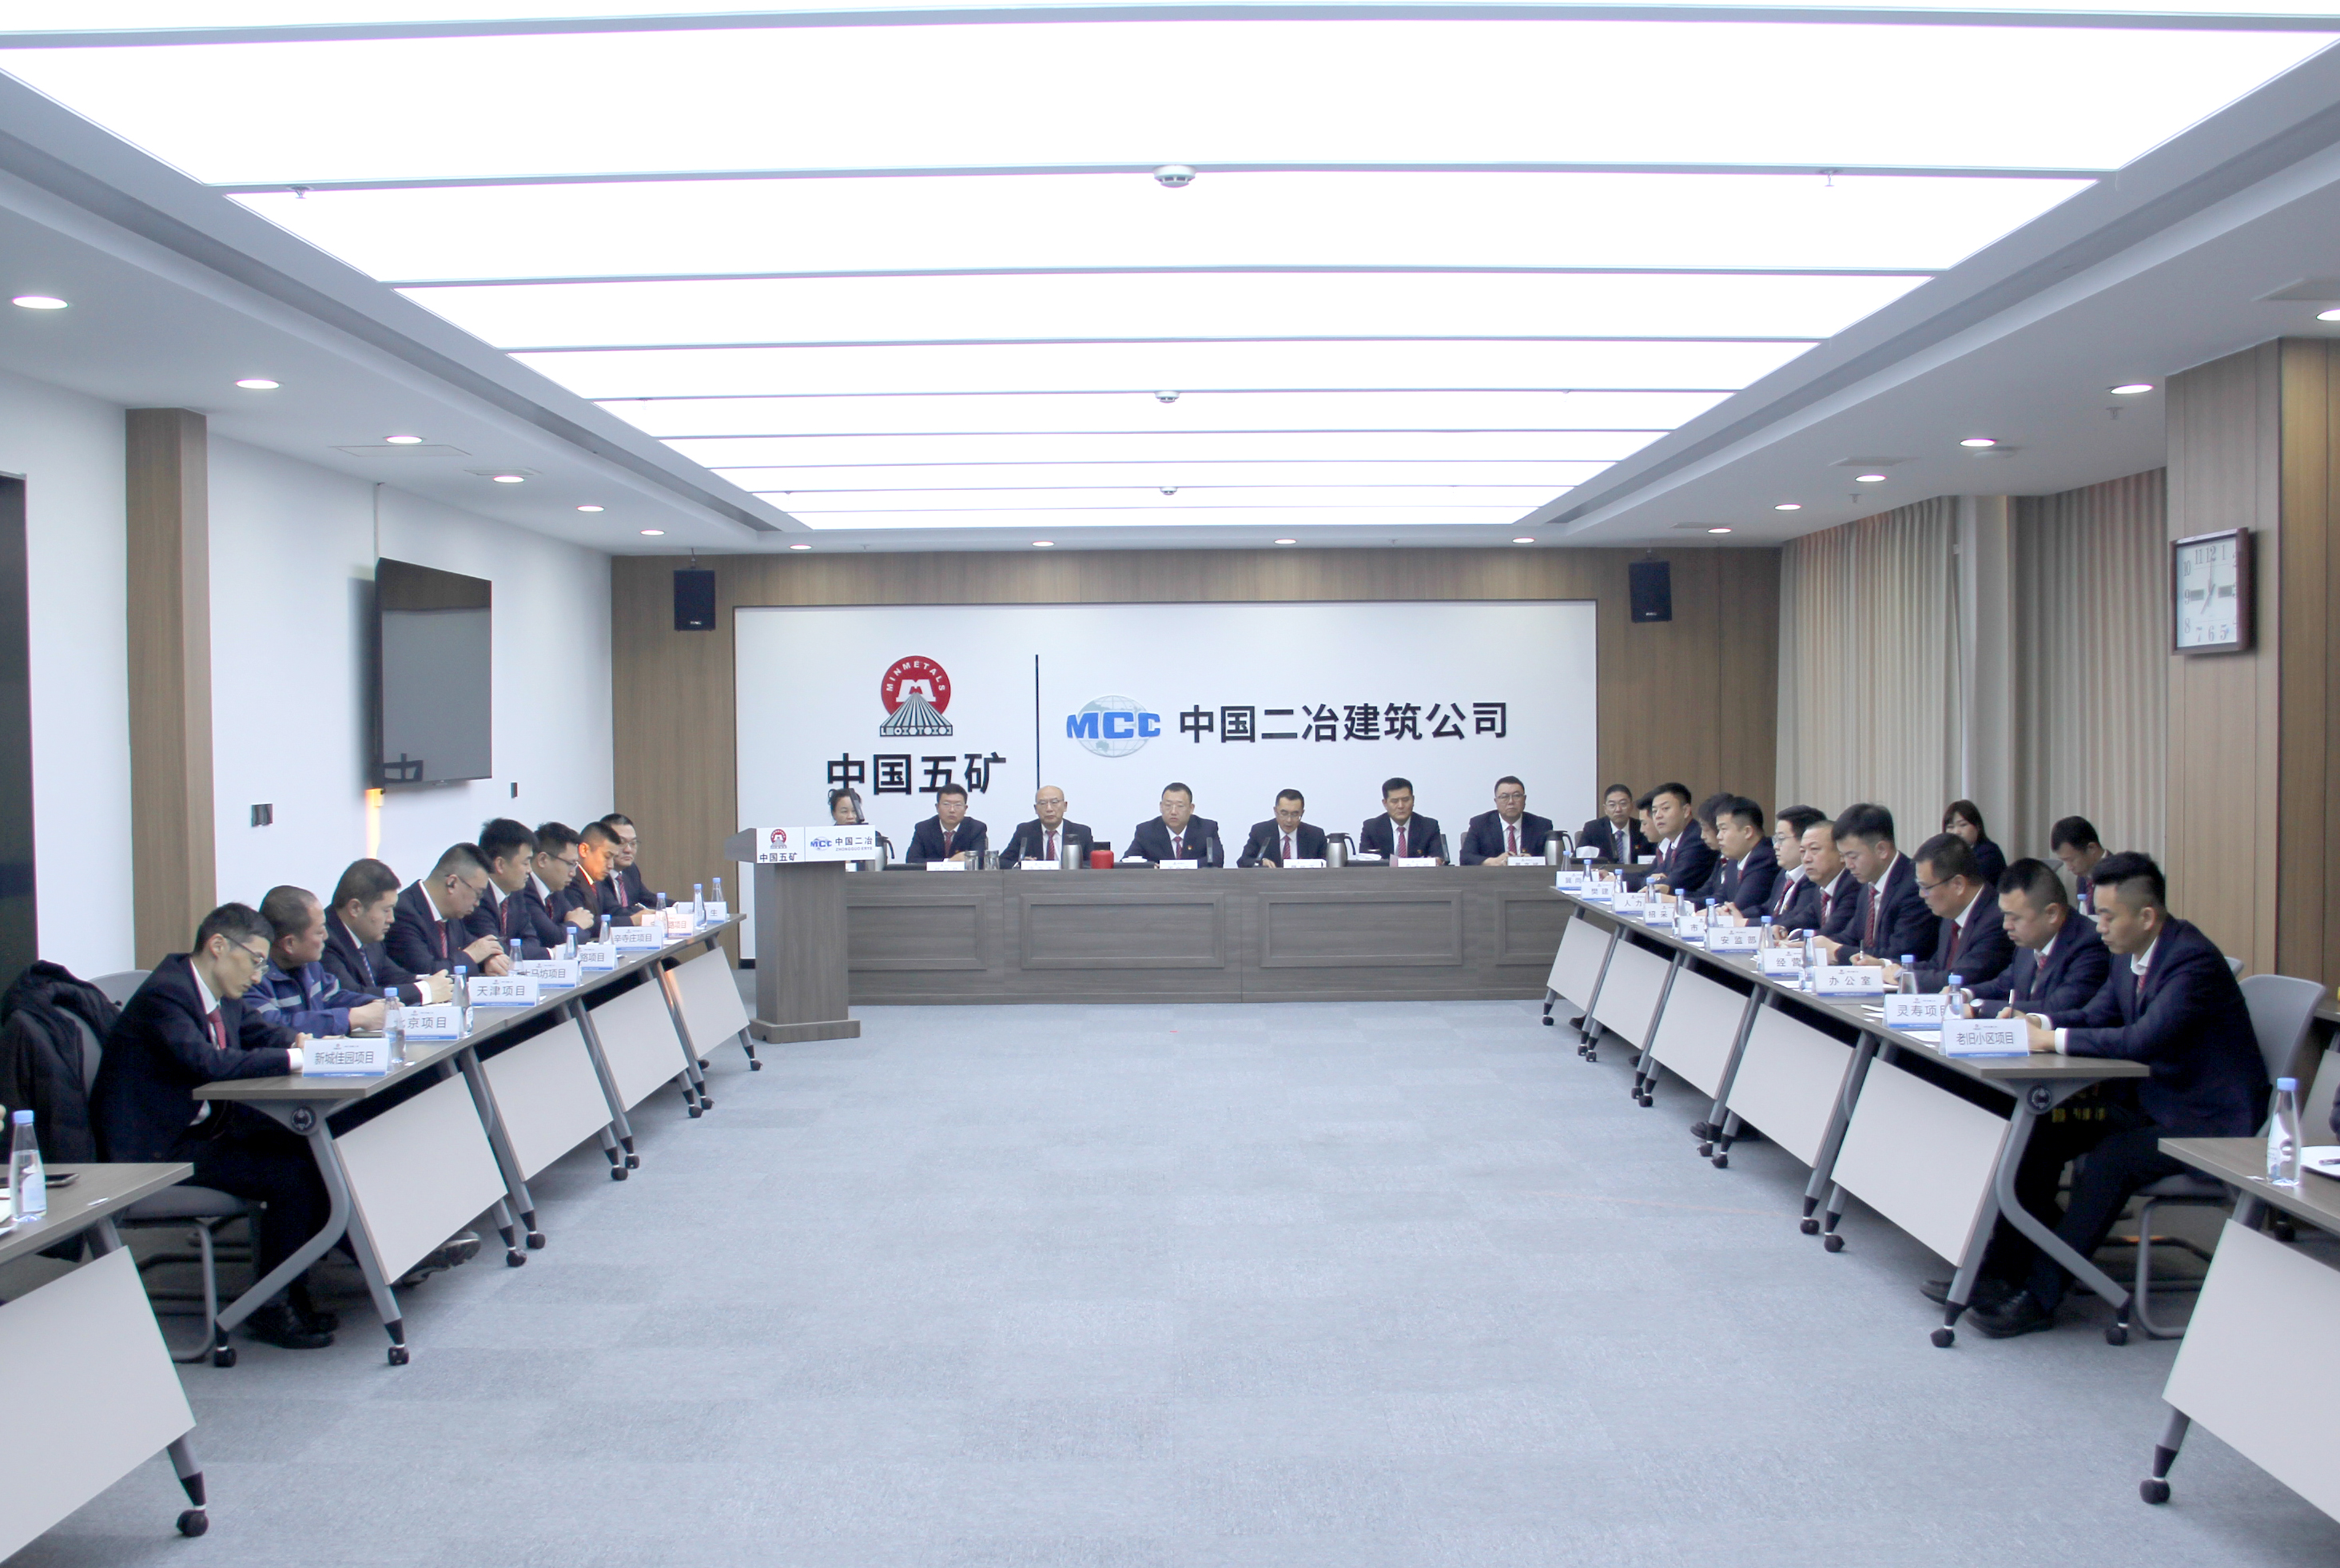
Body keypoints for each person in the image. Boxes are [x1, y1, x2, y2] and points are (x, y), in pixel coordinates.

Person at [1962, 853, 2270, 1338]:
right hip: (2154, 1104)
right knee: (2039, 1132)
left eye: (2107, 916)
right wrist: (2036, 1022)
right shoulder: (2130, 955)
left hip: (2207, 1120)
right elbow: (2096, 1015)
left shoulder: (2191, 960)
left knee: (2112, 1160)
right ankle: (2002, 1271)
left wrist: (2051, 1040)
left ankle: (2041, 1296)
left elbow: (2142, 1040)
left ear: (2146, 916)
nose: (2098, 926)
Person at [89, 903, 331, 1349]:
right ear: (218, 946)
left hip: (202, 1131)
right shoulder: (166, 995)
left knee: (309, 1150)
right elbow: (207, 1063)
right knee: (291, 1177)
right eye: (255, 961)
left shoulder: (220, 992)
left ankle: (292, 1291)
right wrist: (293, 1059)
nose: (258, 976)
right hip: (158, 1151)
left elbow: (260, 1033)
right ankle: (270, 1306)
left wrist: (301, 1043)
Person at [1968, 858, 2111, 1015]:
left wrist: (1979, 1008)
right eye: (2005, 915)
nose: (2006, 925)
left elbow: (2058, 1007)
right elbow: (2002, 985)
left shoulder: (2090, 945)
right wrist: (1964, 994)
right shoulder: (2030, 941)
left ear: (2052, 913)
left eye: (2015, 918)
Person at [1880, 833, 2014, 993]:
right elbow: (1938, 965)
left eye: (1926, 887)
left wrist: (1902, 976)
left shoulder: (1996, 920)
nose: (1921, 895)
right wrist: (1888, 966)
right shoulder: (1952, 911)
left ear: (1958, 884)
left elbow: (1959, 978)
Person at [247, 885, 388, 1037]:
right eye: (319, 932)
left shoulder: (309, 965)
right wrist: (352, 1017)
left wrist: (373, 1005)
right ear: (289, 944)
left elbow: (332, 998)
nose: (326, 936)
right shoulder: (253, 978)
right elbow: (274, 1028)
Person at [321, 859, 450, 1005]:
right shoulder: (325, 941)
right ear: (355, 908)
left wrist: (430, 981)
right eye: (386, 910)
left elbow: (394, 976)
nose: (391, 919)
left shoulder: (370, 937)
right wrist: (424, 991)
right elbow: (352, 996)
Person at [1818, 803, 1934, 965]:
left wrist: (1838, 951)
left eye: (1853, 856)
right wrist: (1815, 945)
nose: (1848, 865)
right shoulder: (1868, 884)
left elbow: (1900, 953)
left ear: (1882, 850)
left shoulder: (1913, 886)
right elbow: (1851, 937)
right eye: (1843, 856)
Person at [389, 842, 510, 978]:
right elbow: (427, 973)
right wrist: (471, 956)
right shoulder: (403, 913)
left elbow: (476, 947)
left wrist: (489, 959)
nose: (478, 903)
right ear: (452, 883)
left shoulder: (452, 913)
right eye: (478, 894)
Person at [471, 818, 557, 960]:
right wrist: (549, 953)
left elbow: (532, 940)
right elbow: (496, 950)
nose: (530, 870)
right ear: (500, 864)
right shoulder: (478, 898)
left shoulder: (515, 892)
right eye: (525, 863)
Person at [1789, 815, 1864, 944]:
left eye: (1814, 849)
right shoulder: (1821, 886)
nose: (1806, 859)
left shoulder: (1853, 885)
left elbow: (1831, 933)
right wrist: (1782, 929)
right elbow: (1804, 918)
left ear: (1841, 854)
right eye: (1802, 851)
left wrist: (1796, 936)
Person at [563, 821, 653, 927]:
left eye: (613, 858)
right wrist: (632, 921)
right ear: (584, 850)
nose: (611, 865)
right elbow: (585, 924)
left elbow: (613, 911)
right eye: (607, 857)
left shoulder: (597, 881)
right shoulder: (571, 881)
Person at [1704, 797, 1780, 916]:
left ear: (1747, 832)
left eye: (1724, 829)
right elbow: (1720, 897)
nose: (1719, 836)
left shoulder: (1764, 859)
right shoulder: (1734, 859)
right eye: (1718, 830)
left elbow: (1740, 907)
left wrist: (1712, 912)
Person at [1639, 783, 1715, 896]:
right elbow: (1646, 879)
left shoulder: (1696, 840)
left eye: (1665, 809)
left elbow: (1673, 885)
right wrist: (1658, 879)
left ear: (1686, 811)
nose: (1658, 816)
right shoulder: (1675, 842)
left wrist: (1657, 880)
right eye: (1654, 811)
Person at [1461, 776, 1554, 866]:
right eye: (1504, 797)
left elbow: (1554, 860)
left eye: (1516, 796)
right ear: (1496, 801)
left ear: (1524, 799)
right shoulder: (1480, 824)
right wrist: (1493, 862)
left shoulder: (1542, 826)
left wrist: (1533, 861)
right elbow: (1466, 858)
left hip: (1531, 876)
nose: (1511, 802)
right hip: (1493, 876)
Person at [1759, 806, 1827, 923]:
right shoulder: (1784, 874)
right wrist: (1736, 916)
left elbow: (1795, 918)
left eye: (1781, 838)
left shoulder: (1813, 878)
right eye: (1775, 839)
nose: (1776, 846)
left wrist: (1745, 922)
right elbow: (1768, 908)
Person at [1125, 782, 1223, 865]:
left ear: (1191, 808)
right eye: (1168, 805)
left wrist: (1179, 866)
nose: (1173, 812)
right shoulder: (1146, 831)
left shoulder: (1206, 829)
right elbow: (1127, 862)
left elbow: (1217, 860)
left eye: (1180, 806)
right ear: (1161, 807)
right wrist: (1150, 867)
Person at [529, 822, 595, 942]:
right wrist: (575, 925)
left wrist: (572, 927)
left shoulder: (556, 890)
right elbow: (553, 937)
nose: (573, 873)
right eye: (570, 864)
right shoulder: (524, 890)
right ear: (543, 860)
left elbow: (586, 929)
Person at [1000, 785, 1092, 866]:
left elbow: (1092, 863)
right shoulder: (1025, 831)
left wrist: (1072, 866)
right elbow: (1002, 861)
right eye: (1043, 803)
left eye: (1054, 802)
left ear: (1065, 806)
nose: (1049, 809)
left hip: (1070, 880)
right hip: (1036, 880)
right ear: (1036, 809)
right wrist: (1022, 865)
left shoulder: (1082, 832)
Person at [1359, 777, 1443, 863]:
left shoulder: (1429, 826)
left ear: (1413, 800)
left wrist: (1436, 861)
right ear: (1385, 803)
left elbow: (1438, 858)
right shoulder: (1371, 828)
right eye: (1394, 801)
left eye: (1405, 800)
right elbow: (1364, 862)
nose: (1401, 806)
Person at [1239, 790, 1328, 867]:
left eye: (1295, 814)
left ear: (1302, 813)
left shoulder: (1315, 835)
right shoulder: (1260, 831)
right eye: (1284, 813)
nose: (1289, 820)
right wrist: (1261, 863)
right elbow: (1243, 861)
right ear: (1275, 811)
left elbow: (1328, 865)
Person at [907, 783, 989, 865]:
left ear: (965, 808)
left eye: (958, 805)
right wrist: (948, 862)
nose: (952, 810)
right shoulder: (923, 828)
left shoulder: (976, 828)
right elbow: (912, 860)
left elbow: (980, 860)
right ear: (937, 807)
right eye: (946, 804)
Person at [1942, 800, 2008, 888]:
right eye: (1951, 827)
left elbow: (1966, 886)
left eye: (1963, 825)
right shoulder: (1945, 855)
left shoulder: (1989, 853)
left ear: (1978, 826)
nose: (1956, 832)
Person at [2049, 815, 2108, 914]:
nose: (2069, 868)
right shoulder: (2082, 878)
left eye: (2071, 860)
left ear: (2091, 848)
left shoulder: (2119, 875)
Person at [1580, 784, 1650, 866]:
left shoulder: (1643, 828)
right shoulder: (1592, 829)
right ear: (1605, 809)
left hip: (1637, 874)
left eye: (1623, 804)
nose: (1618, 809)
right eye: (1612, 805)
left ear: (1631, 806)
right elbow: (1578, 862)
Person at [600, 812, 651, 909]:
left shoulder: (630, 870)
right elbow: (613, 911)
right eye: (621, 842)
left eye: (633, 843)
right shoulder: (598, 873)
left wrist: (677, 905)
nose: (628, 850)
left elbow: (647, 898)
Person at [828, 788, 896, 861]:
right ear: (834, 813)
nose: (850, 816)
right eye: (844, 811)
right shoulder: (827, 838)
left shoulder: (872, 836)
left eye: (854, 811)